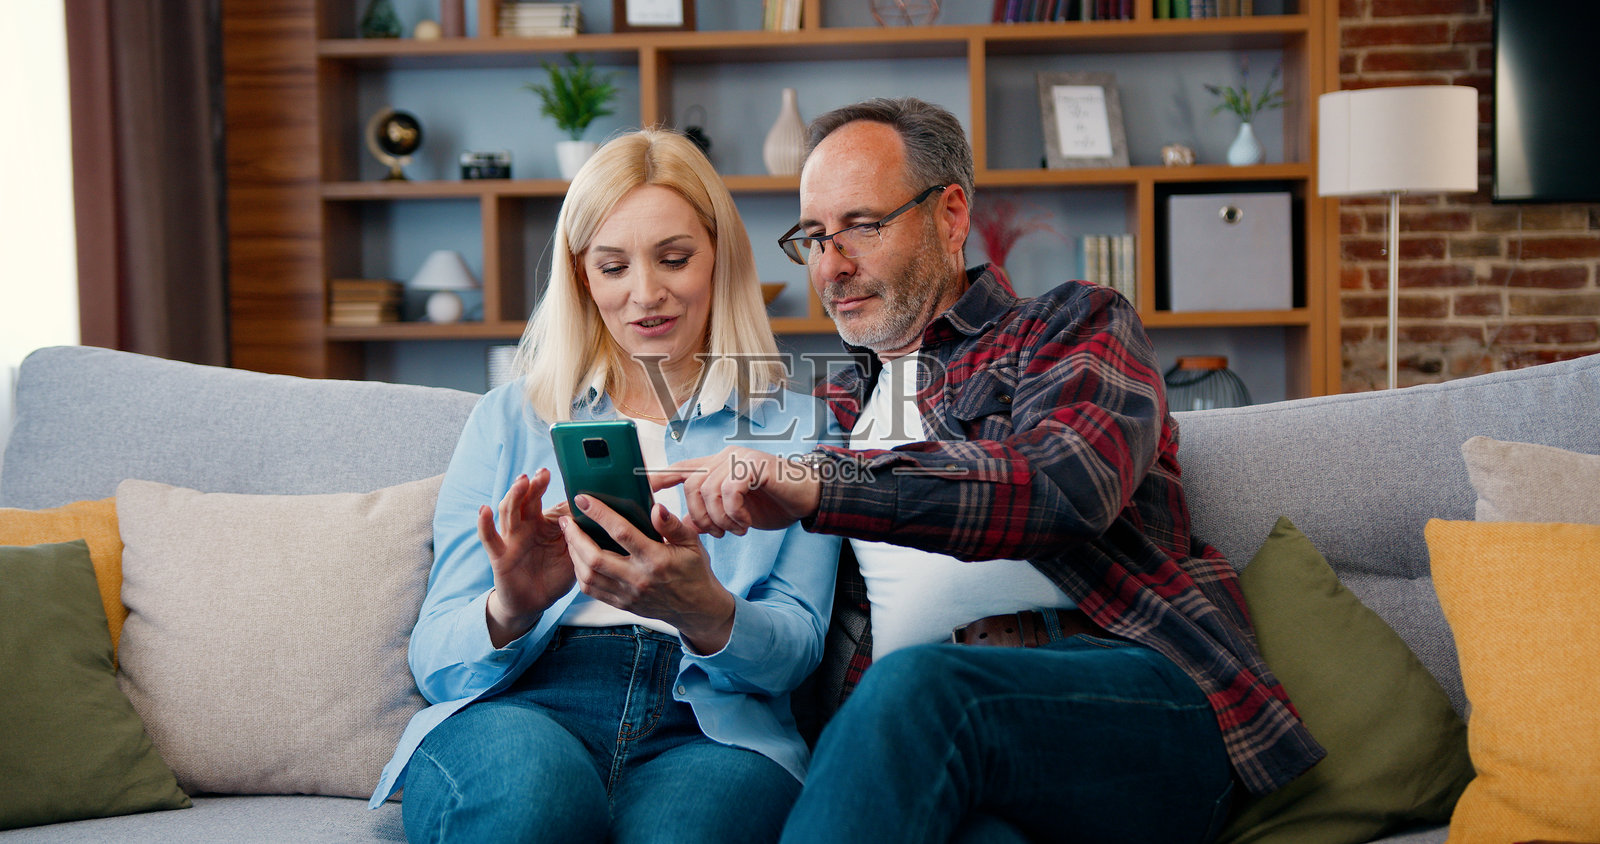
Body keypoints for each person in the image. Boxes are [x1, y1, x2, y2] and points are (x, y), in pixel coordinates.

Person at [653, 98, 1326, 843]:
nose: (831, 267)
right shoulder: (828, 408)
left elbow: (1062, 488)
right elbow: (791, 621)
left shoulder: (1070, 326)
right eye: (813, 237)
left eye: (862, 227)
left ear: (949, 215)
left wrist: (825, 484)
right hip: (932, 757)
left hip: (1127, 702)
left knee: (921, 692)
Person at [369, 129, 842, 844]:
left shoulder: (799, 429)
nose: (645, 294)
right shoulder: (510, 418)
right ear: (582, 276)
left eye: (674, 259)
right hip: (525, 703)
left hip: (709, 728)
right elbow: (436, 660)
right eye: (613, 265)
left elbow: (796, 651)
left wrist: (708, 611)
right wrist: (513, 604)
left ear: (720, 258)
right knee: (528, 810)